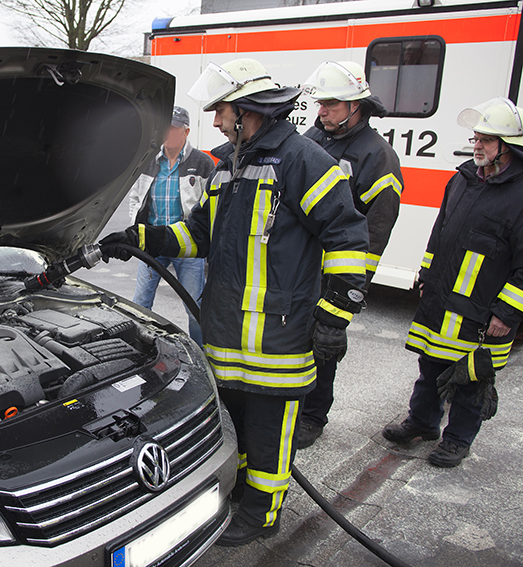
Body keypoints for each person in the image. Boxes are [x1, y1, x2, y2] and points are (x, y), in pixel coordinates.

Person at [101, 58, 368, 545]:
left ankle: (263, 514)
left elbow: (347, 236)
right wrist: (140, 238)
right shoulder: (231, 165)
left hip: (277, 342)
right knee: (238, 431)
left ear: (247, 111)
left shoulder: (300, 160)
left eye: (222, 111)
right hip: (229, 341)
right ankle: (241, 495)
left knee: (269, 438)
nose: (218, 121)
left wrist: (334, 315)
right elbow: (198, 233)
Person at [383, 97, 523, 468]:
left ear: (507, 146)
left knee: (471, 378)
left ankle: (457, 440)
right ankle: (422, 423)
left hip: (483, 312)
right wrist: (426, 275)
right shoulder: (461, 179)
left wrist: (507, 312)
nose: (476, 145)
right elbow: (439, 234)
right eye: (475, 138)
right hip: (442, 300)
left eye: (485, 140)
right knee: (430, 367)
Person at [296, 61, 403, 449]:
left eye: (332, 104)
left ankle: (313, 416)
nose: (322, 111)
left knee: (324, 345)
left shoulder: (377, 156)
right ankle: (293, 407)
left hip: (334, 275)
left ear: (357, 106)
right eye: (321, 103)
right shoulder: (313, 139)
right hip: (299, 271)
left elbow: (376, 230)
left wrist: (348, 293)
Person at [128, 106, 215, 346]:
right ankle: (137, 347)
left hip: (187, 246)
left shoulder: (202, 162)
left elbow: (211, 206)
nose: (170, 134)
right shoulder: (148, 160)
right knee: (140, 303)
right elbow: (135, 196)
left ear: (186, 131)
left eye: (175, 129)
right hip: (153, 241)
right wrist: (136, 224)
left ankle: (201, 352)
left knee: (194, 307)